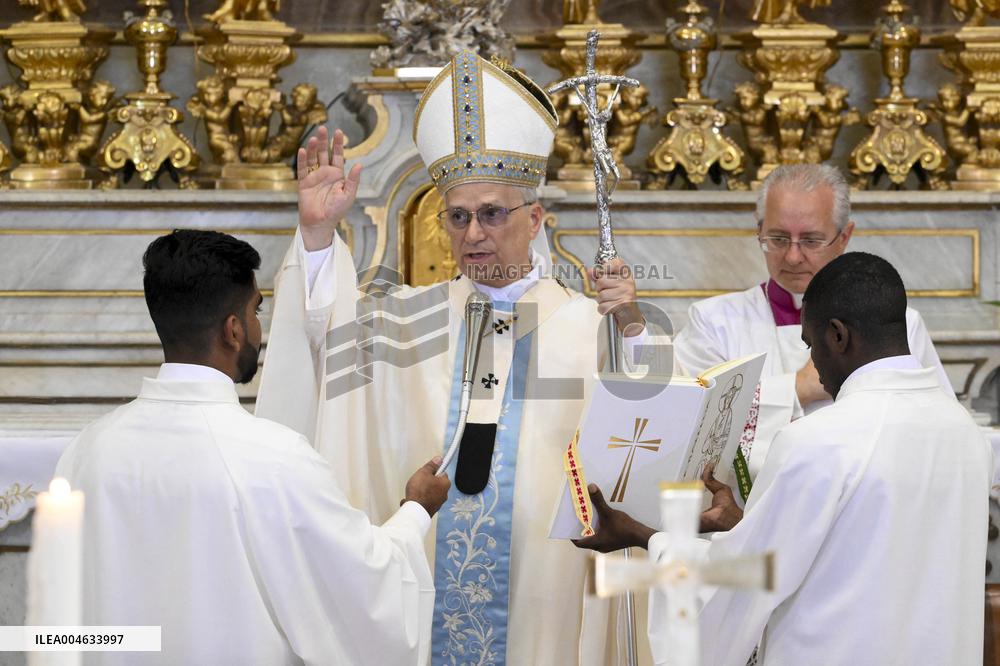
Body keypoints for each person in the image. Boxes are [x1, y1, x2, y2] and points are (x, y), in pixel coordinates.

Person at [256, 52, 668, 664]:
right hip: (428, 589)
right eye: (457, 217)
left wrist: (633, 327)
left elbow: (656, 420)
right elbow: (325, 339)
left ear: (534, 220)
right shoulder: (405, 321)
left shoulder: (591, 326)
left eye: (492, 214)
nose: (472, 233)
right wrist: (318, 239)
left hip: (547, 591)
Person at [575, 252, 992, 666]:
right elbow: (864, 556)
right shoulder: (968, 436)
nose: (813, 366)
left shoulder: (818, 441)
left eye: (810, 346)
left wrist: (645, 536)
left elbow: (741, 584)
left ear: (838, 336)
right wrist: (748, 525)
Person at [55, 230, 450, 665]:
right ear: (233, 329)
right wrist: (416, 510)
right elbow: (361, 592)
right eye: (256, 310)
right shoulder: (275, 459)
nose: (259, 326)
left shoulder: (85, 452)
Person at [672, 164, 951, 501]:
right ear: (758, 231)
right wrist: (796, 389)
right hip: (745, 519)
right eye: (777, 238)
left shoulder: (897, 321)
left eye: (811, 240)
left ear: (844, 237)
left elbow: (936, 427)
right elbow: (688, 430)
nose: (792, 255)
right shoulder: (714, 322)